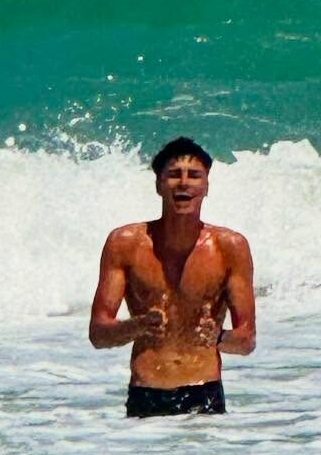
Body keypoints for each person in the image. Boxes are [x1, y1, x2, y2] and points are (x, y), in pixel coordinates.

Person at [89, 137, 256, 418]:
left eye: (194, 175)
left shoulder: (230, 247)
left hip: (204, 395)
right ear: (158, 184)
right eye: (174, 174)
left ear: (206, 186)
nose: (184, 182)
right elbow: (98, 334)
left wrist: (218, 337)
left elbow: (246, 340)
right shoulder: (125, 244)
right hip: (146, 396)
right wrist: (139, 325)